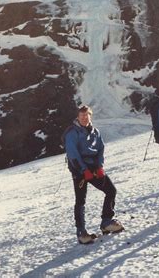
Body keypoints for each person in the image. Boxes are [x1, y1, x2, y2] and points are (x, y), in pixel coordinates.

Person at [64, 104, 124, 244]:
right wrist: (84, 170)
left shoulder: (95, 131)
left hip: (94, 168)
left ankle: (106, 221)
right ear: (77, 117)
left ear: (90, 116)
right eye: (82, 116)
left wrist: (99, 166)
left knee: (111, 190)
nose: (84, 118)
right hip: (79, 170)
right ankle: (81, 231)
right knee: (81, 200)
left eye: (87, 115)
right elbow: (73, 154)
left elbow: (100, 149)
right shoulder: (72, 133)